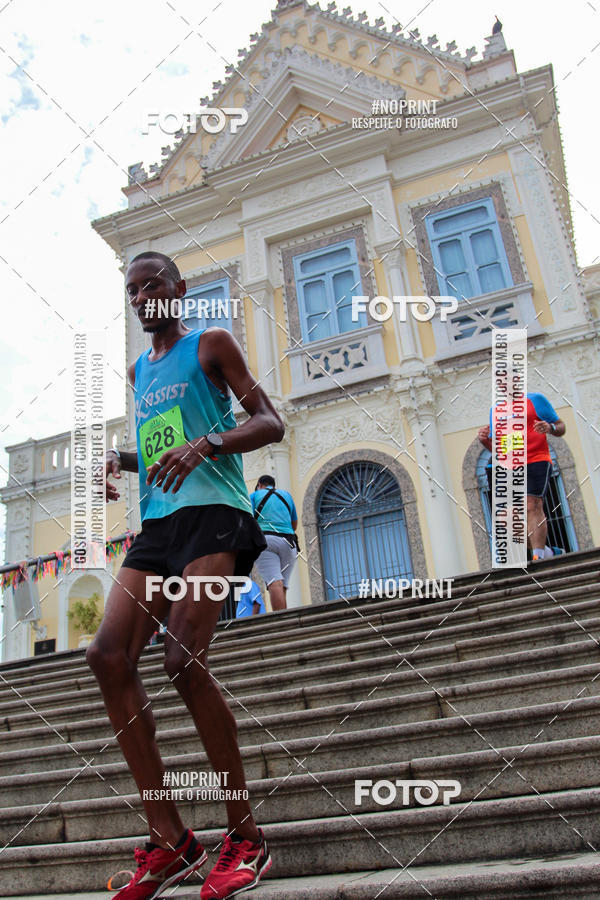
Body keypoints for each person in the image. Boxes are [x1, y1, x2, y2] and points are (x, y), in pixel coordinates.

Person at [87, 251, 284, 900]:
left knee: (181, 660)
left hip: (216, 516)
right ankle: (170, 840)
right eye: (132, 290)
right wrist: (120, 460)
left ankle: (246, 838)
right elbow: (159, 453)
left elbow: (270, 421)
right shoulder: (140, 369)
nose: (142, 297)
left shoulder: (212, 344)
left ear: (180, 289)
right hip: (160, 527)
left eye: (152, 285)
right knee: (108, 653)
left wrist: (210, 443)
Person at [478, 391, 566, 562]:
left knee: (532, 505)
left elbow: (561, 426)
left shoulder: (536, 400)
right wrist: (485, 441)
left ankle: (537, 556)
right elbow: (502, 449)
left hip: (536, 459)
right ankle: (547, 552)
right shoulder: (495, 410)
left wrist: (550, 427)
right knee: (505, 516)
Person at [250, 475, 298, 611]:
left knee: (274, 583)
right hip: (289, 543)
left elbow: (248, 519)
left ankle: (281, 624)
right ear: (273, 485)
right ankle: (286, 620)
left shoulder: (254, 495)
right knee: (282, 585)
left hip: (266, 541)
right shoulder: (286, 496)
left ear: (259, 485)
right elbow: (294, 524)